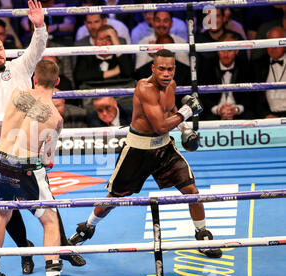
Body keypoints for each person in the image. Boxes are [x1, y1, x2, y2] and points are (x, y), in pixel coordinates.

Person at [0, 0, 85, 276]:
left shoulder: (19, 67)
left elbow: (38, 48)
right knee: (7, 209)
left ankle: (63, 247)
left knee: (48, 202)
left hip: (27, 147)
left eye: (1, 47)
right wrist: (9, 119)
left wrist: (39, 25)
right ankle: (23, 248)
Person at [68, 49, 223, 259]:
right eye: (161, 69)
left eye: (170, 69)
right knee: (114, 198)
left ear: (174, 69)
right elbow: (159, 125)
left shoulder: (172, 85)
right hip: (138, 150)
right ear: (153, 68)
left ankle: (202, 235)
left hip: (164, 148)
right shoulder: (145, 88)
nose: (166, 73)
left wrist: (184, 129)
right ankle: (87, 227)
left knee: (191, 190)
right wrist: (187, 112)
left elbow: (170, 110)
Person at [0, 59, 78, 276]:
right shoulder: (55, 118)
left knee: (2, 214)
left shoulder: (17, 93)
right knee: (50, 219)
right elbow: (47, 160)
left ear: (34, 78)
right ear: (57, 82)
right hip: (25, 168)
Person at [199, 33, 254, 120]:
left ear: (237, 51)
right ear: (217, 50)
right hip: (214, 112)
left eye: (229, 50)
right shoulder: (207, 67)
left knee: (250, 116)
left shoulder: (246, 67)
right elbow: (202, 97)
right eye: (222, 50)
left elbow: (251, 96)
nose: (225, 54)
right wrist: (218, 109)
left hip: (239, 112)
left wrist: (236, 109)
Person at [251, 26, 286, 118]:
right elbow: (254, 97)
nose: (274, 47)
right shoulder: (257, 65)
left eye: (277, 42)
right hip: (268, 116)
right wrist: (265, 115)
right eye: (270, 42)